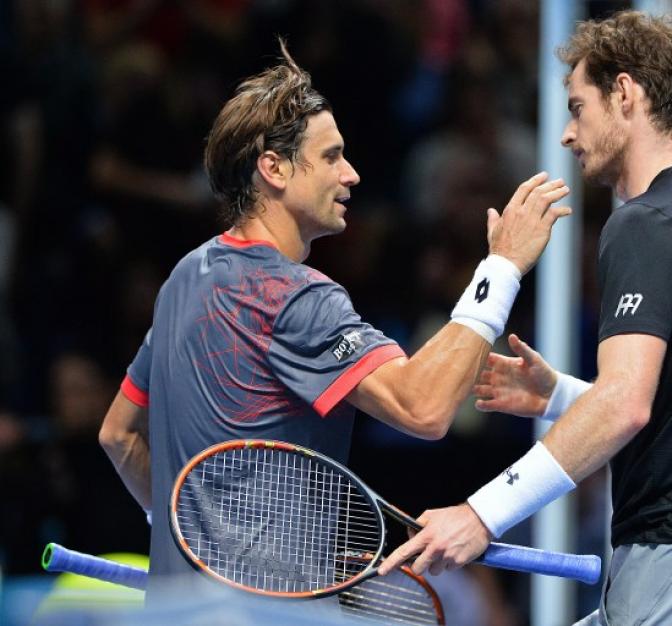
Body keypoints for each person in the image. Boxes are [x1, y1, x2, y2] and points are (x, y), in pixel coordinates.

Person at [380, 10, 672, 625]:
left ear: (624, 93)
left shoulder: (643, 223)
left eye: (577, 107)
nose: (566, 133)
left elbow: (624, 406)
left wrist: (481, 515)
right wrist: (558, 394)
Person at [97, 39, 571, 598]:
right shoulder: (294, 297)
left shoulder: (184, 277)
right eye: (330, 156)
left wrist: (190, 538)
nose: (351, 175)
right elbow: (424, 406)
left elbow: (119, 435)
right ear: (272, 168)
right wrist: (503, 267)